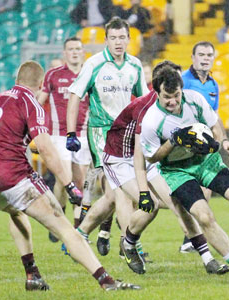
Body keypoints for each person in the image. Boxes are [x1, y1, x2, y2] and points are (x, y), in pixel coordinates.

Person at [0, 60, 139, 292]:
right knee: (65, 229)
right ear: (41, 84)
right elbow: (44, 148)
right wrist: (69, 184)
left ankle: (32, 274)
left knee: (15, 211)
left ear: (16, 80)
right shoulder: (30, 104)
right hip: (13, 180)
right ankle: (107, 281)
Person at [140, 66, 229, 276]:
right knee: (204, 216)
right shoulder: (151, 120)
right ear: (157, 94)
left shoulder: (194, 99)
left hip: (206, 161)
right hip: (177, 171)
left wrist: (223, 140)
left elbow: (215, 122)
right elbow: (151, 157)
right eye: (167, 97)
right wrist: (173, 141)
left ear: (182, 90)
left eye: (176, 95)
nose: (173, 101)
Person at [94, 60, 229, 275]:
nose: (176, 94)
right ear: (158, 88)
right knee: (151, 205)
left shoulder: (174, 103)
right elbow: (139, 154)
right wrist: (144, 191)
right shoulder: (145, 111)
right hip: (120, 158)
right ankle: (127, 243)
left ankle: (208, 259)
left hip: (148, 157)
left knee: (179, 203)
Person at [67, 17, 149, 256]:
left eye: (122, 37)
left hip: (126, 135)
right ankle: (131, 245)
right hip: (100, 132)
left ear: (129, 39)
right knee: (120, 190)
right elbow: (74, 96)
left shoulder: (134, 65)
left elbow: (144, 103)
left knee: (116, 194)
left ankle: (80, 234)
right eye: (113, 38)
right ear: (106, 40)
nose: (118, 42)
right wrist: (71, 133)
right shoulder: (94, 64)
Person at [38, 37, 92, 243]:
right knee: (65, 179)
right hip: (58, 134)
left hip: (84, 135)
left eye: (78, 49)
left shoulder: (90, 75)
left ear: (83, 52)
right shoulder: (53, 75)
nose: (75, 52)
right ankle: (60, 216)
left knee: (80, 183)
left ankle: (78, 231)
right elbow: (39, 102)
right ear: (64, 53)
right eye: (71, 49)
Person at [179, 41, 222, 253]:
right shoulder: (183, 81)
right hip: (183, 144)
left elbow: (214, 117)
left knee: (205, 191)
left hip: (203, 145)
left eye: (209, 55)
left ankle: (190, 239)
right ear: (193, 57)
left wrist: (223, 139)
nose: (205, 58)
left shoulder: (214, 85)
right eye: (201, 54)